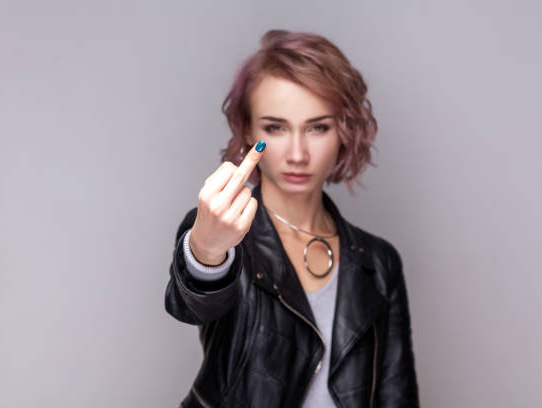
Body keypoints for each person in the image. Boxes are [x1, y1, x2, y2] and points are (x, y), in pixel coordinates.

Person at [165, 29, 420, 407]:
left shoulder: (379, 263)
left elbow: (396, 396)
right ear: (248, 130)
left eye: (317, 127)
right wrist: (205, 249)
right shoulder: (223, 234)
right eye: (275, 128)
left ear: (344, 132)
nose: (297, 153)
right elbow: (193, 303)